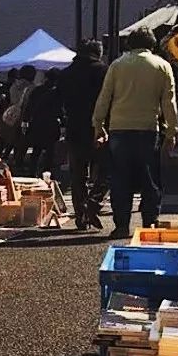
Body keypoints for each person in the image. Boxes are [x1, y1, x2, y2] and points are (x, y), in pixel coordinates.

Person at [92, 27, 178, 239]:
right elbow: (169, 102)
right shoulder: (162, 66)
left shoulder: (117, 65)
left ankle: (122, 225)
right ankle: (149, 221)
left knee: (121, 179)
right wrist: (171, 132)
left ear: (129, 44)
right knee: (150, 178)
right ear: (152, 44)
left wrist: (98, 125)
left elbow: (105, 97)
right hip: (148, 129)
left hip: (119, 129)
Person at [58, 39, 110, 230]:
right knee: (107, 170)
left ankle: (81, 214)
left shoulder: (66, 74)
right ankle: (94, 204)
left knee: (78, 174)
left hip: (74, 127)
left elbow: (61, 102)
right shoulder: (103, 71)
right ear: (98, 52)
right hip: (99, 127)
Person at [24, 67, 64, 175]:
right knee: (49, 152)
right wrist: (63, 122)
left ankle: (32, 173)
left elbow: (29, 107)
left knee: (36, 151)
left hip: (37, 123)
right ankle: (47, 174)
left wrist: (25, 121)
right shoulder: (57, 93)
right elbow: (60, 110)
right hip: (51, 125)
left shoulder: (37, 90)